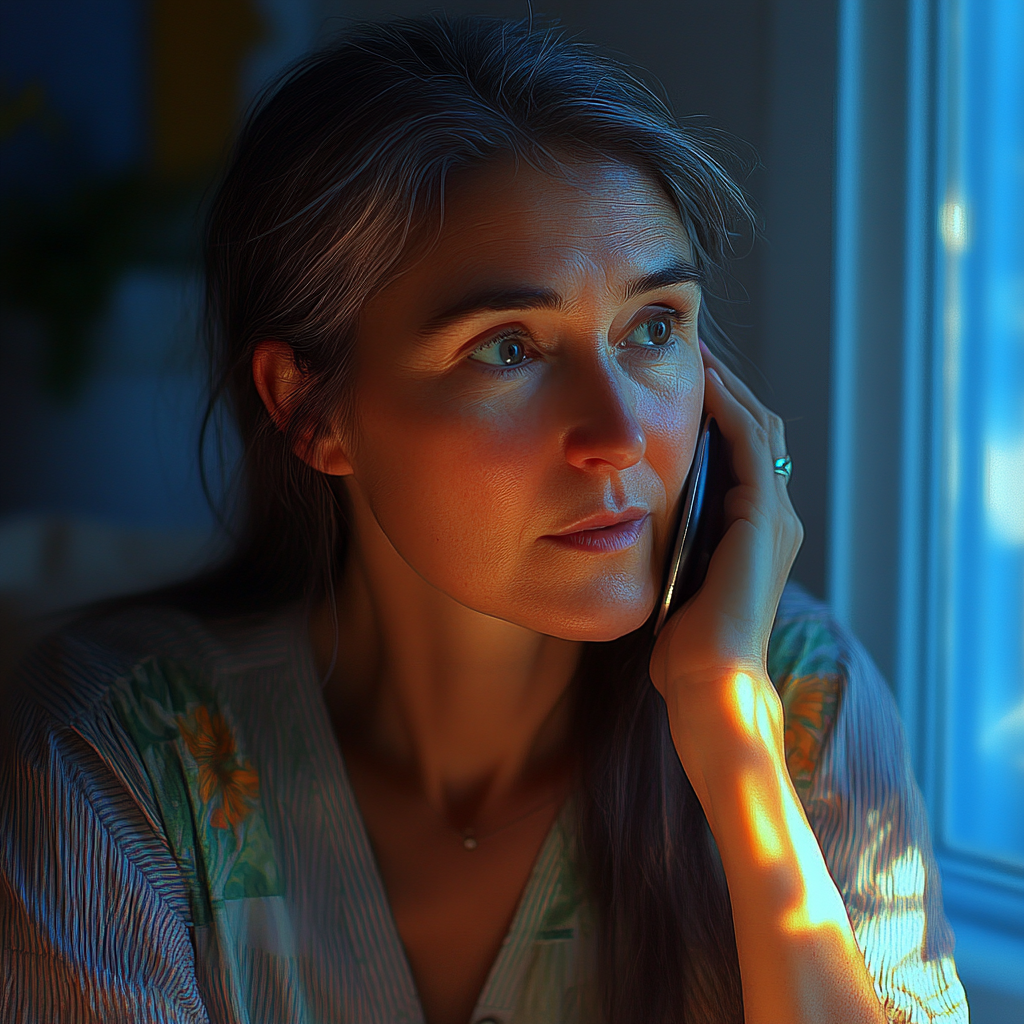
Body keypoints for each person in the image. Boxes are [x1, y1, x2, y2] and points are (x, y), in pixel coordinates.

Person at [0, 15, 968, 1024]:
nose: (619, 435)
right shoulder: (117, 757)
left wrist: (730, 727)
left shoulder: (802, 700)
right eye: (507, 348)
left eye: (652, 328)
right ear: (308, 408)